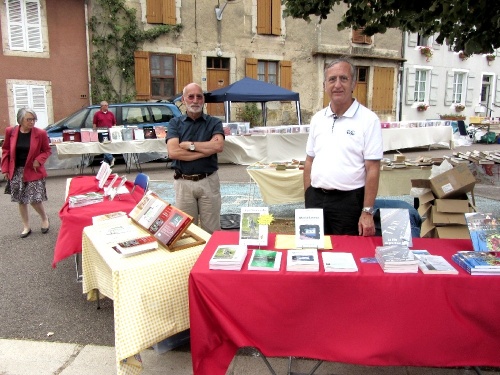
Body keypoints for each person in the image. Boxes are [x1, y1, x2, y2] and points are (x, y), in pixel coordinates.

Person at [303, 57, 383, 236]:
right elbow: (309, 161)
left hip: (349, 203)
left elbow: (373, 169)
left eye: (343, 78)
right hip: (316, 199)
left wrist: (367, 212)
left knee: (346, 256)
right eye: (332, 79)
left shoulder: (369, 120)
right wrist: (308, 197)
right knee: (312, 250)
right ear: (325, 85)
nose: (337, 85)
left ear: (353, 83)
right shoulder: (317, 119)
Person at [166, 83, 224, 233]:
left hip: (208, 182)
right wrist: (206, 150)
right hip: (183, 183)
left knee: (212, 231)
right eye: (191, 97)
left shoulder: (214, 122)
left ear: (203, 100)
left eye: (199, 96)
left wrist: (191, 145)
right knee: (186, 231)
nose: (195, 100)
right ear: (184, 100)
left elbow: (218, 146)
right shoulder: (174, 123)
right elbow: (173, 152)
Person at [1, 108, 52, 238]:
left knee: (35, 200)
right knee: (21, 200)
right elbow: (6, 150)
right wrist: (5, 169)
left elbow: (47, 150)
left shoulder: (40, 133)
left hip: (32, 170)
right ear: (21, 120)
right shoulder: (11, 131)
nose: (32, 122)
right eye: (29, 119)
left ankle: (44, 218)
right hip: (16, 170)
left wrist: (38, 160)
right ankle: (26, 226)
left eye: (34, 119)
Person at [92, 101, 116, 166]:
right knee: (103, 147)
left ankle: (106, 164)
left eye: (107, 105)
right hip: (101, 132)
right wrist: (94, 132)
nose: (106, 106)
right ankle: (111, 158)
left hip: (110, 132)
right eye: (105, 105)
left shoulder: (111, 114)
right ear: (101, 106)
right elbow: (94, 124)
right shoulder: (97, 114)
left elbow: (114, 123)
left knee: (108, 147)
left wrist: (114, 131)